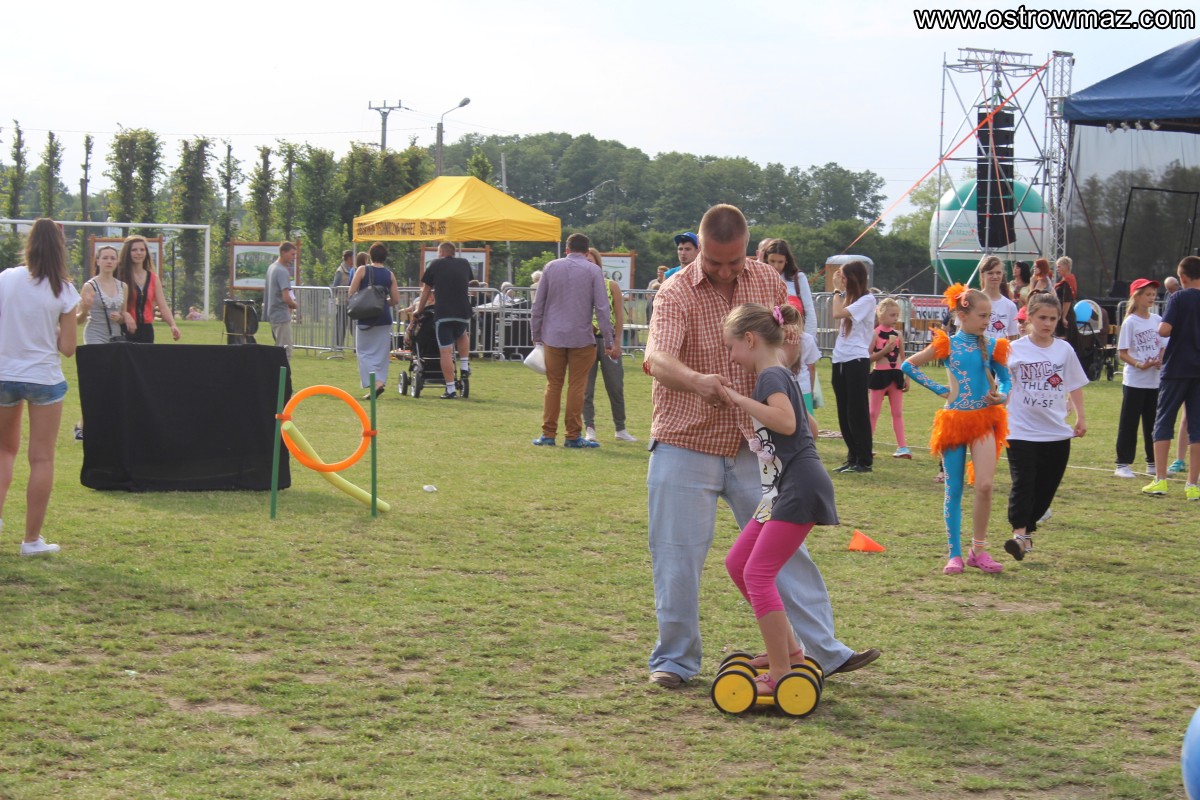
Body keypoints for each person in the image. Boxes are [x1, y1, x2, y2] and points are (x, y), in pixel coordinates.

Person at [643, 203, 878, 688]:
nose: (726, 271)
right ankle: (675, 661)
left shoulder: (768, 280)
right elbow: (656, 357)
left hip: (759, 450)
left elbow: (788, 343)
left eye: (735, 261)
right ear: (700, 249)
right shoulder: (675, 291)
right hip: (686, 439)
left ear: (748, 247)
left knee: (784, 553)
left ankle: (824, 652)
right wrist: (696, 381)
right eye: (714, 262)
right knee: (676, 555)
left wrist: (781, 375)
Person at [721, 302, 839, 696]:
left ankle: (781, 671)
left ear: (750, 339)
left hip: (798, 488)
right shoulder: (781, 374)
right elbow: (809, 428)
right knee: (738, 563)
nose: (731, 357)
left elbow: (787, 423)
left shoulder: (771, 375)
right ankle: (788, 651)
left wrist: (739, 400)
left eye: (732, 347)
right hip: (784, 487)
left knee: (757, 574)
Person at [902, 284, 1012, 574]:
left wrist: (1001, 395)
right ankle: (955, 554)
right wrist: (941, 390)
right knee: (954, 489)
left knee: (985, 486)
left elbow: (1005, 379)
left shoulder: (993, 345)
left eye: (989, 316)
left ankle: (979, 550)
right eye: (982, 316)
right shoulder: (948, 344)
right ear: (962, 315)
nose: (987, 321)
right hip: (954, 422)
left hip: (984, 420)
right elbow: (909, 365)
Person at [0, 218, 80, 556]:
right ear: (60, 247)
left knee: (4, 451)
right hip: (43, 378)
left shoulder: (6, 278)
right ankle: (31, 540)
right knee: (42, 458)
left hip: (4, 373)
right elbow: (68, 348)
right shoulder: (64, 290)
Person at [1002, 292, 1088, 560]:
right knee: (1023, 483)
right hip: (1020, 430)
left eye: (1052, 318)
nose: (1048, 323)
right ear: (1029, 317)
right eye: (1042, 318)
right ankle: (1018, 535)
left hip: (1055, 432)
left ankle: (1026, 531)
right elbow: (1004, 386)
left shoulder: (1064, 350)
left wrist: (1081, 417)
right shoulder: (1013, 349)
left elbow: (1074, 384)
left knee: (1046, 488)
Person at [529, 233, 617, 447]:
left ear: (566, 250)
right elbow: (602, 308)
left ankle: (548, 434)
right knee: (577, 386)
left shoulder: (551, 267)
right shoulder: (593, 271)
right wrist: (608, 339)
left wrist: (536, 336)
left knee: (553, 385)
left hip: (553, 336)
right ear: (587, 252)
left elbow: (538, 305)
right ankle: (572, 435)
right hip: (581, 337)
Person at [1143, 255, 1200, 500]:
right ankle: (1193, 484)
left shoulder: (1178, 297)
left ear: (1182, 278)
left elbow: (1165, 329)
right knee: (1197, 427)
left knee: (1164, 421)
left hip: (1177, 368)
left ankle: (1160, 480)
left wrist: (1162, 327)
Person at [73, 245, 135, 440]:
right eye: (105, 258)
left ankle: (106, 424)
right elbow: (78, 319)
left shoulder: (123, 286)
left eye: (112, 258)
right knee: (96, 382)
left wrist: (122, 318)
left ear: (117, 262)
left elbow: (123, 314)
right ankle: (82, 426)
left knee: (113, 381)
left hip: (115, 337)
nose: (109, 261)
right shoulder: (89, 286)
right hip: (95, 335)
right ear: (98, 261)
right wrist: (85, 308)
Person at [582, 247, 635, 442]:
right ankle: (589, 428)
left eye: (590, 261)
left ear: (598, 264)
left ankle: (620, 428)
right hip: (586, 342)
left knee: (615, 386)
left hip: (608, 340)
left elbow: (619, 315)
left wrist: (617, 341)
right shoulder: (577, 287)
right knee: (586, 388)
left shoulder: (611, 285)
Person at [1114, 279, 1165, 479]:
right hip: (1135, 381)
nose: (1152, 298)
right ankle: (1122, 463)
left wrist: (1160, 359)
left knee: (1153, 423)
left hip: (1154, 382)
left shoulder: (1157, 319)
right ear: (1137, 296)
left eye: (1153, 294)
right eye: (1148, 294)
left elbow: (1163, 344)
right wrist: (1139, 364)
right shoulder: (1131, 322)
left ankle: (1152, 462)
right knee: (1130, 422)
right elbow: (1122, 353)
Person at [830, 260, 876, 472]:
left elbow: (837, 313)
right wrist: (840, 293)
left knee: (857, 410)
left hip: (856, 360)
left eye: (844, 277)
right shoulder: (849, 299)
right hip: (840, 359)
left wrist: (836, 290)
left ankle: (864, 459)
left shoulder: (867, 299)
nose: (841, 280)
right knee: (843, 410)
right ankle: (852, 456)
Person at [415, 242, 474, 400]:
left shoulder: (435, 264)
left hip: (444, 313)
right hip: (463, 311)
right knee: (462, 333)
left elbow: (426, 290)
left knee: (446, 352)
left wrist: (419, 310)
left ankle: (451, 389)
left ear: (441, 252)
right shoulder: (464, 263)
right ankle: (464, 366)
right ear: (453, 252)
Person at [349, 242, 401, 399]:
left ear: (370, 255)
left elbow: (351, 292)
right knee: (381, 355)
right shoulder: (390, 275)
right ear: (385, 257)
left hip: (365, 317)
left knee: (363, 353)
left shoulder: (362, 270)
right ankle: (379, 382)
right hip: (383, 318)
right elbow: (395, 299)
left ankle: (376, 384)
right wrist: (383, 304)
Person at [117, 235, 180, 343]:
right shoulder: (119, 276)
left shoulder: (153, 278)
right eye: (134, 250)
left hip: (146, 331)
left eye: (142, 250)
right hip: (125, 328)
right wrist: (125, 315)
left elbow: (163, 306)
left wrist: (173, 325)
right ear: (127, 253)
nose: (139, 253)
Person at [869, 297, 910, 459]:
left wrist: (907, 378)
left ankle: (902, 446)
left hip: (896, 375)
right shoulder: (875, 334)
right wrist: (884, 350)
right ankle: (867, 444)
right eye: (892, 315)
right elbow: (868, 358)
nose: (895, 318)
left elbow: (903, 358)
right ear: (881, 315)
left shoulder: (898, 334)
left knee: (897, 412)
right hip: (879, 375)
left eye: (897, 315)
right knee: (873, 412)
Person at [761, 238, 816, 337]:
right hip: (768, 337)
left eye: (780, 262)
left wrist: (808, 338)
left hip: (795, 336)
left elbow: (809, 311)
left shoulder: (798, 278)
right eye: (772, 261)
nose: (776, 266)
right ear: (766, 259)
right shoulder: (760, 278)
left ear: (786, 261)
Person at [264, 242, 298, 361]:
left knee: (278, 349)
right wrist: (294, 304)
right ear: (283, 253)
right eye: (292, 254)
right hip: (281, 315)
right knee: (285, 351)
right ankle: (281, 373)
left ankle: (275, 371)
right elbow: (286, 297)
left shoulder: (271, 267)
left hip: (273, 314)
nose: (294, 257)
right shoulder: (282, 271)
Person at [980, 256, 1019, 340]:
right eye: (990, 273)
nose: (995, 276)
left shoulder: (1010, 306)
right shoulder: (972, 300)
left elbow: (1013, 338)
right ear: (982, 275)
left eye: (998, 273)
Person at [330, 250, 355, 350]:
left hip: (351, 303)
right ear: (348, 258)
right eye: (353, 257)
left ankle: (356, 347)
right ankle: (338, 346)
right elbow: (334, 287)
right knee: (341, 326)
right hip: (342, 303)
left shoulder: (353, 270)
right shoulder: (340, 271)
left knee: (353, 325)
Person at [1053, 257, 1077, 340]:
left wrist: (1064, 317)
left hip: (1066, 314)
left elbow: (1067, 300)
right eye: (1057, 267)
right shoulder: (1065, 280)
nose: (1057, 269)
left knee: (1064, 339)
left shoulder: (1067, 281)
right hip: (1062, 312)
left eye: (1059, 267)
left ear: (1066, 266)